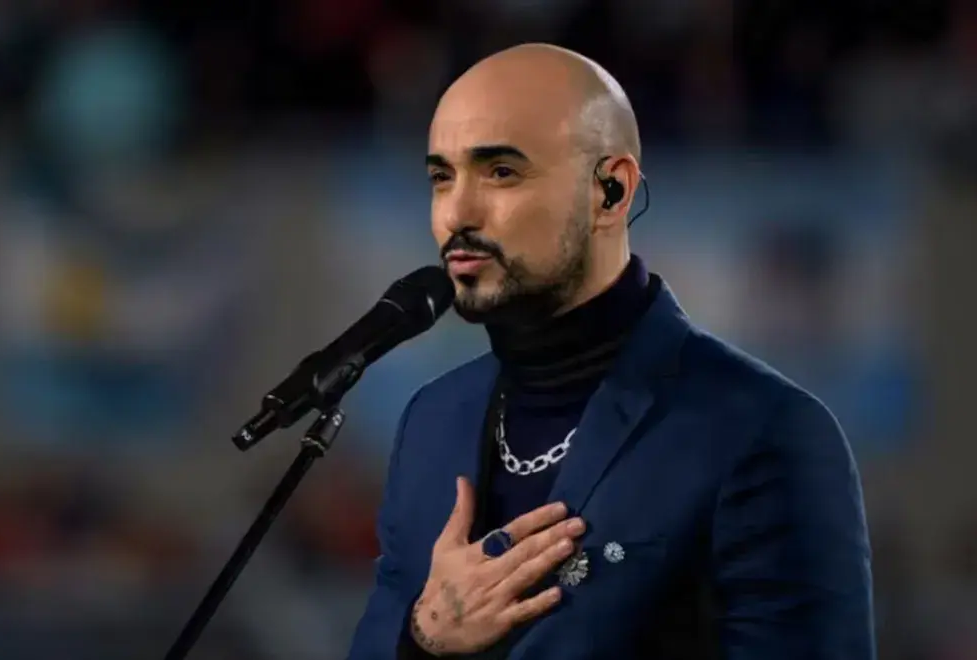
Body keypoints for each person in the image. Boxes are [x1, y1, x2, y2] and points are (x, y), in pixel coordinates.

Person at [345, 43, 875, 659]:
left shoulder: (762, 431)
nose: (457, 213)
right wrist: (426, 639)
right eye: (442, 176)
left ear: (611, 191)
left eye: (501, 172)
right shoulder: (432, 420)